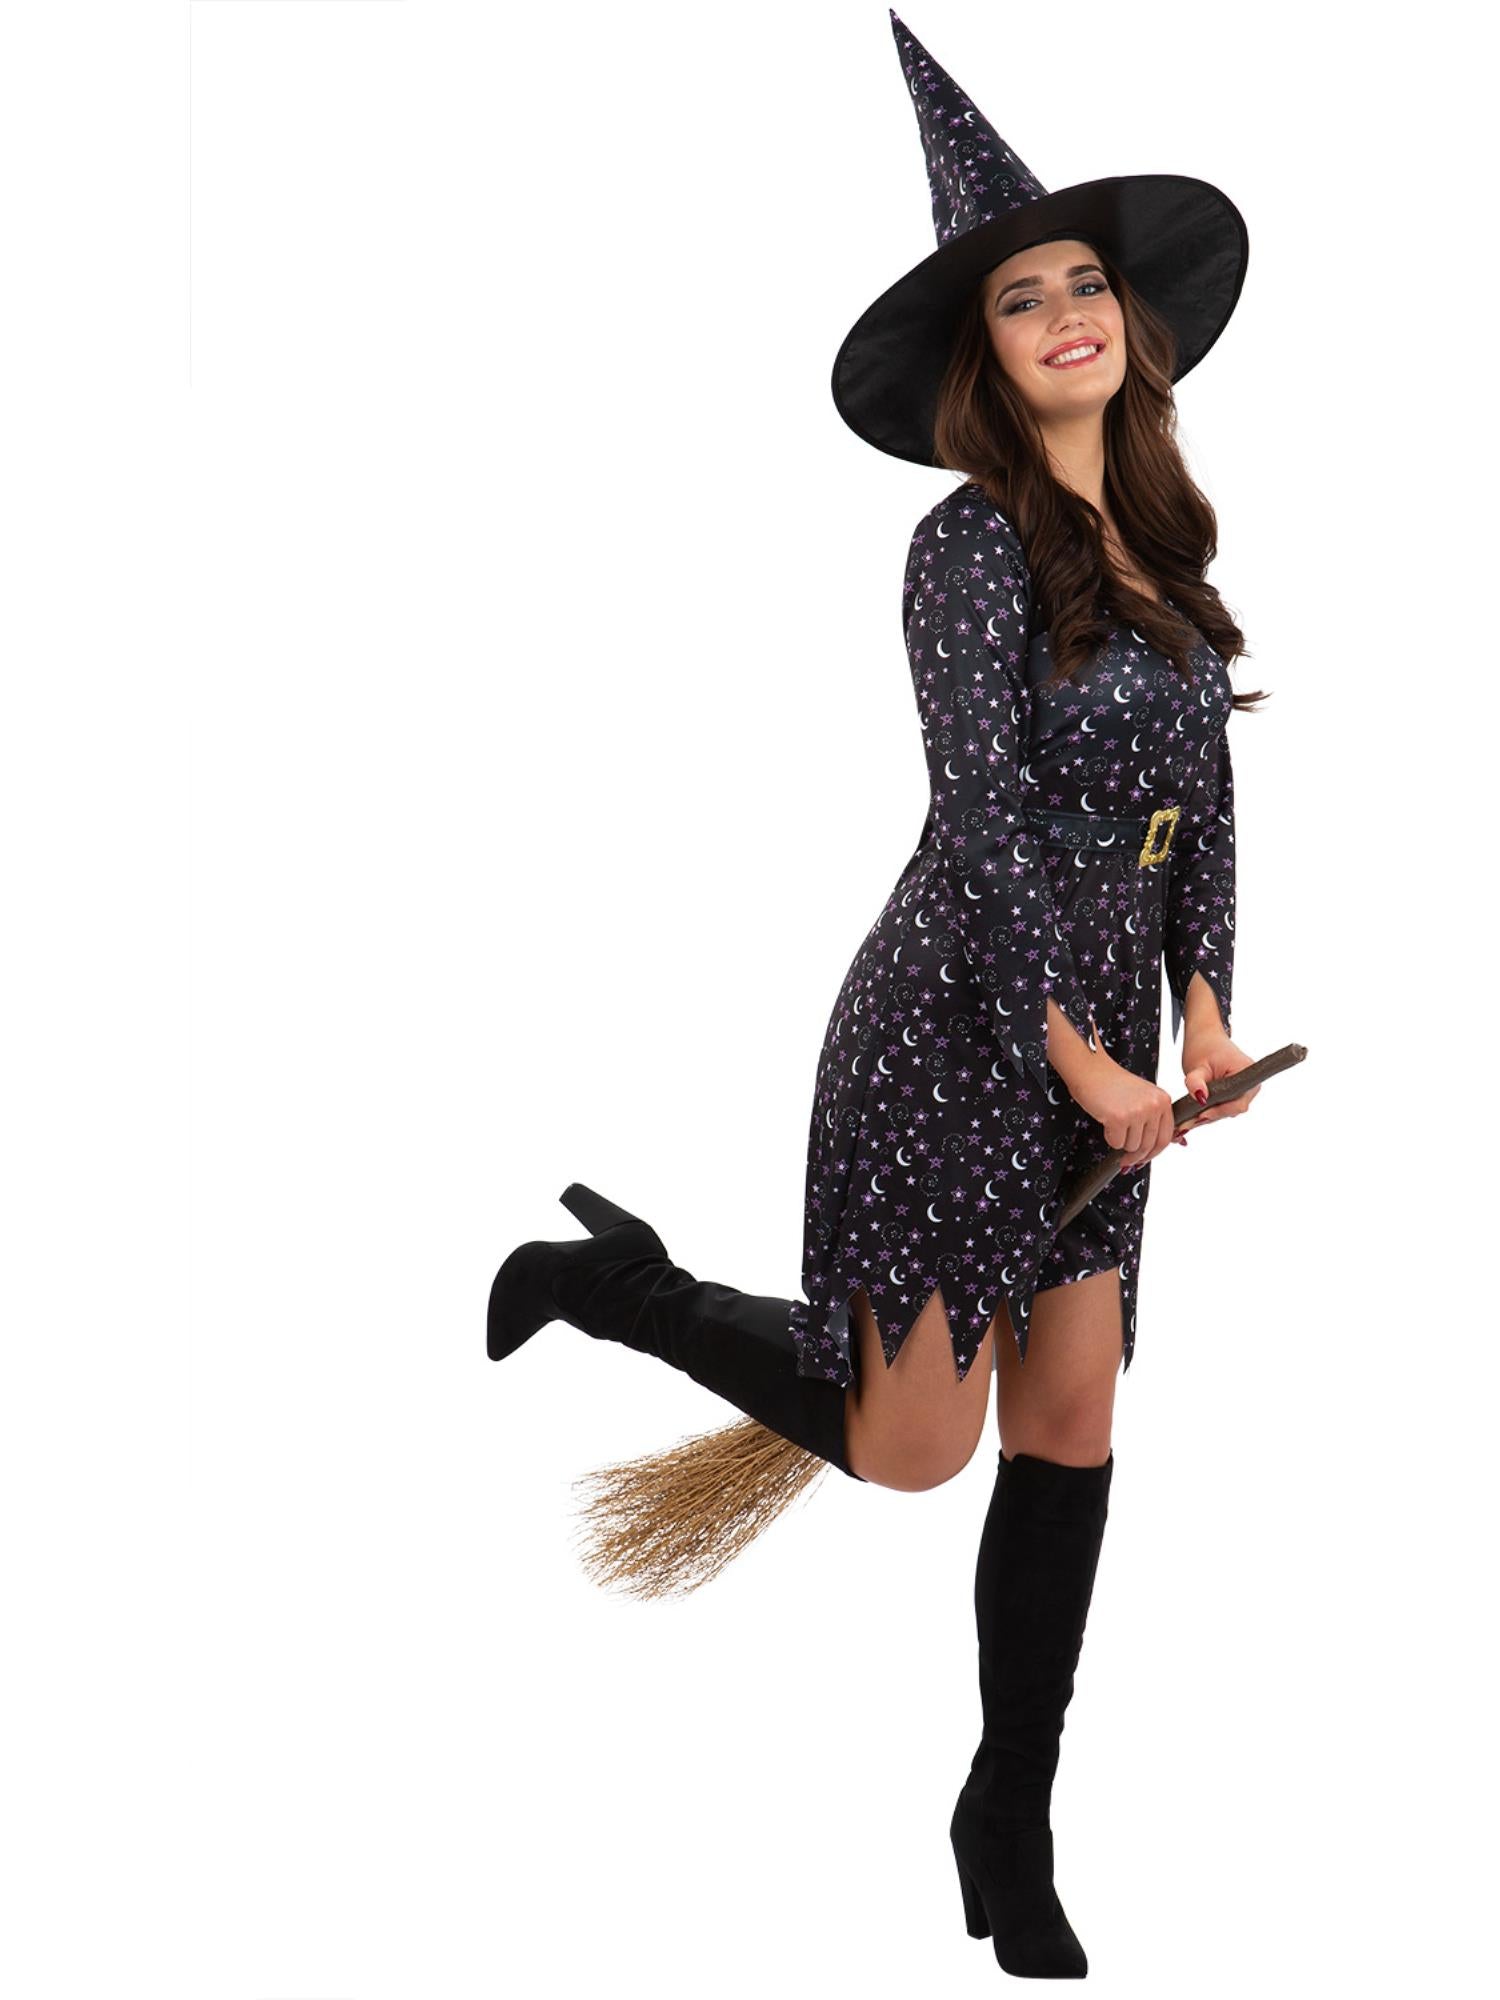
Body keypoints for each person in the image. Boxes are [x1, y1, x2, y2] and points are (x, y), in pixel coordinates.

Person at [488, 9, 1267, 1979]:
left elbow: (1202, 807)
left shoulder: (1164, 549)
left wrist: (1202, 1021)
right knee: (915, 1447)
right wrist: (1080, 1055)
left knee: (1070, 1424)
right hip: (960, 1027)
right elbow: (985, 822)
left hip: (1110, 1041)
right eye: (1024, 296)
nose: (1068, 313)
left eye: (1086, 282)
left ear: (1131, 320)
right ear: (983, 354)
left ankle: (1010, 1811)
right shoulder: (965, 550)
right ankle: (628, 1285)